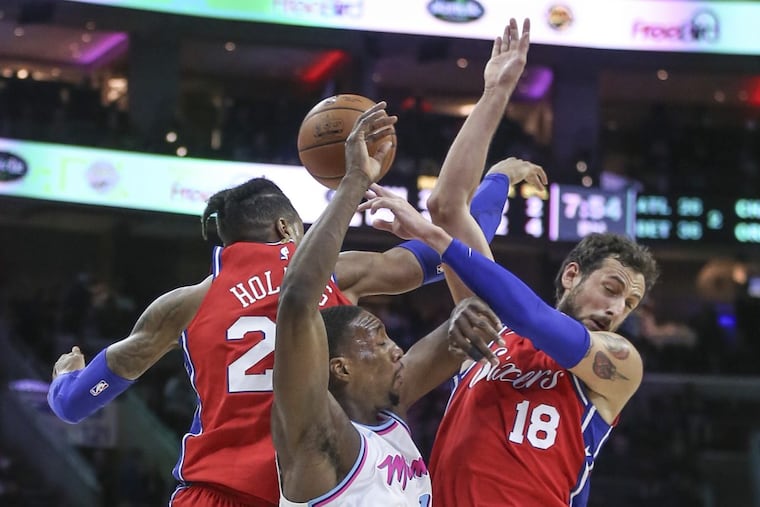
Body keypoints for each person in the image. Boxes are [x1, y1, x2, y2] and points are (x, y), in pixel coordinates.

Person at [46, 107, 518, 505]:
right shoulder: (338, 272)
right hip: (318, 483)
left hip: (212, 492)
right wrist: (497, 183)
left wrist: (64, 382)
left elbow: (75, 405)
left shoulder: (181, 306)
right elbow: (455, 247)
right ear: (284, 229)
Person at [360, 185, 659, 507]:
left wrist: (432, 237)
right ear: (572, 275)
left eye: (630, 303)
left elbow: (530, 315)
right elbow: (447, 206)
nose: (616, 309)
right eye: (611, 289)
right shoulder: (491, 333)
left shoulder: (619, 362)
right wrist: (502, 173)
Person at [272, 101, 501, 506]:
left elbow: (487, 309)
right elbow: (296, 301)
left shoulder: (388, 410)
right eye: (377, 342)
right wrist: (354, 181)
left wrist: (494, 96)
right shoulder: (321, 435)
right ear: (340, 367)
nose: (396, 348)